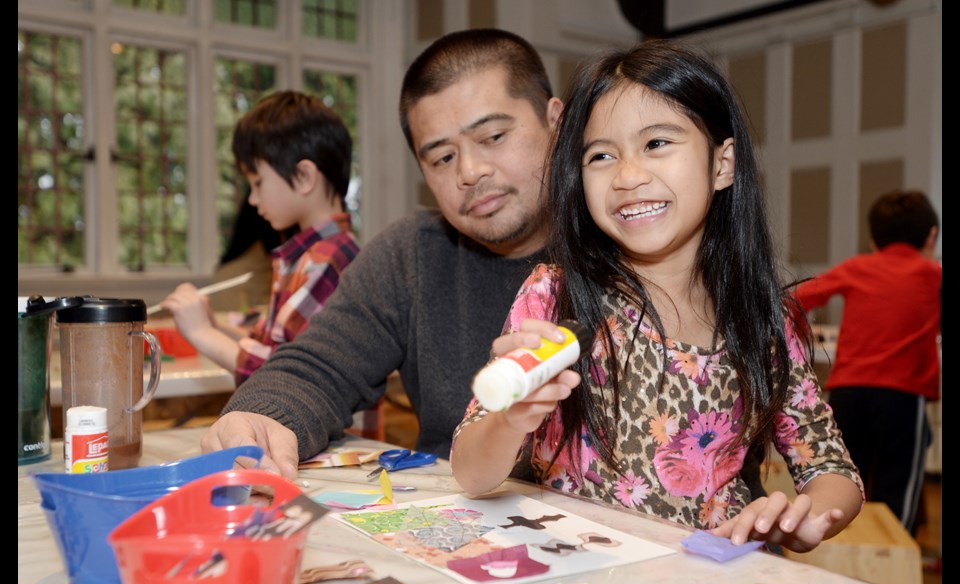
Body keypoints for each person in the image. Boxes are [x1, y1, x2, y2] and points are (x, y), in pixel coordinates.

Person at [450, 40, 864, 553]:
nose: (627, 176)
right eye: (601, 155)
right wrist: (511, 418)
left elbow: (831, 468)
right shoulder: (555, 296)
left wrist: (805, 518)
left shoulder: (765, 319)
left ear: (723, 165)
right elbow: (471, 472)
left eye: (656, 144)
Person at [199, 28, 563, 478]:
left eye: (492, 136)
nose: (470, 171)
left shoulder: (629, 240)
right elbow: (317, 365)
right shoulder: (411, 253)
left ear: (555, 121)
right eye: (442, 159)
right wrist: (260, 416)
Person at [161, 90, 360, 385]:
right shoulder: (308, 256)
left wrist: (202, 333)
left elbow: (285, 375)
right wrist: (213, 323)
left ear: (304, 177)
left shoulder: (327, 260)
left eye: (258, 182)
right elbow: (273, 347)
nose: (253, 199)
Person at [794, 190, 941, 534]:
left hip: (849, 392)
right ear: (931, 235)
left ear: (874, 237)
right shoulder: (932, 274)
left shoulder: (857, 267)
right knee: (897, 489)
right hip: (902, 397)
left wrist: (796, 348)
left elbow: (797, 298)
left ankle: (838, 553)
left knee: (843, 481)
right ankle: (892, 557)